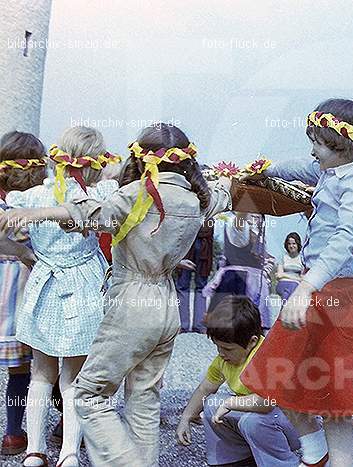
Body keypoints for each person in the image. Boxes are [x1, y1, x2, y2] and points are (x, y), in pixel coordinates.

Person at [0, 123, 233, 466]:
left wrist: (37, 213)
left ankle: (125, 462)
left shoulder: (138, 193)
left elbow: (91, 215)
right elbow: (224, 193)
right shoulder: (199, 196)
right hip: (167, 304)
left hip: (131, 303)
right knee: (144, 398)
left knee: (88, 394)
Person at [239, 99, 353, 467]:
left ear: (343, 146)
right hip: (316, 289)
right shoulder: (330, 169)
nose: (313, 149)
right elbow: (298, 167)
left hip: (339, 294)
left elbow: (347, 237)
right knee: (279, 377)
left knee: (338, 404)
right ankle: (313, 448)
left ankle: (330, 456)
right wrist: (262, 170)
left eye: (319, 142)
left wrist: (306, 288)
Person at [1, 127, 120, 467]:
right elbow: (114, 175)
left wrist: (18, 249)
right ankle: (69, 452)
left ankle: (34, 451)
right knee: (74, 378)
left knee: (41, 373)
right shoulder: (101, 194)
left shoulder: (32, 196)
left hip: (43, 284)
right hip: (84, 285)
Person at [176, 295, 302, 466]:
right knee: (212, 404)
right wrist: (186, 418)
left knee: (253, 421)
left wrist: (229, 403)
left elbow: (265, 403)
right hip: (267, 420)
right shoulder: (224, 360)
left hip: (294, 426)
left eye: (227, 348)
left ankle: (282, 463)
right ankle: (235, 460)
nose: (221, 353)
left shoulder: (266, 356)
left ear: (252, 342)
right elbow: (205, 389)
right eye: (217, 346)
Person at [0, 131, 45, 456]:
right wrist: (25, 254)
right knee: (32, 366)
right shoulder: (41, 200)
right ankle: (15, 432)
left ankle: (14, 435)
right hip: (25, 284)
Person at [275, 232, 303, 301]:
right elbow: (279, 275)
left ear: (298, 244)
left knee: (289, 292)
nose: (291, 246)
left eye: (294, 244)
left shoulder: (302, 258)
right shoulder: (283, 257)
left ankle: (283, 309)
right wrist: (295, 278)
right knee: (291, 288)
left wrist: (284, 274)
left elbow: (303, 278)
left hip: (296, 285)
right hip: (283, 283)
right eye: (289, 244)